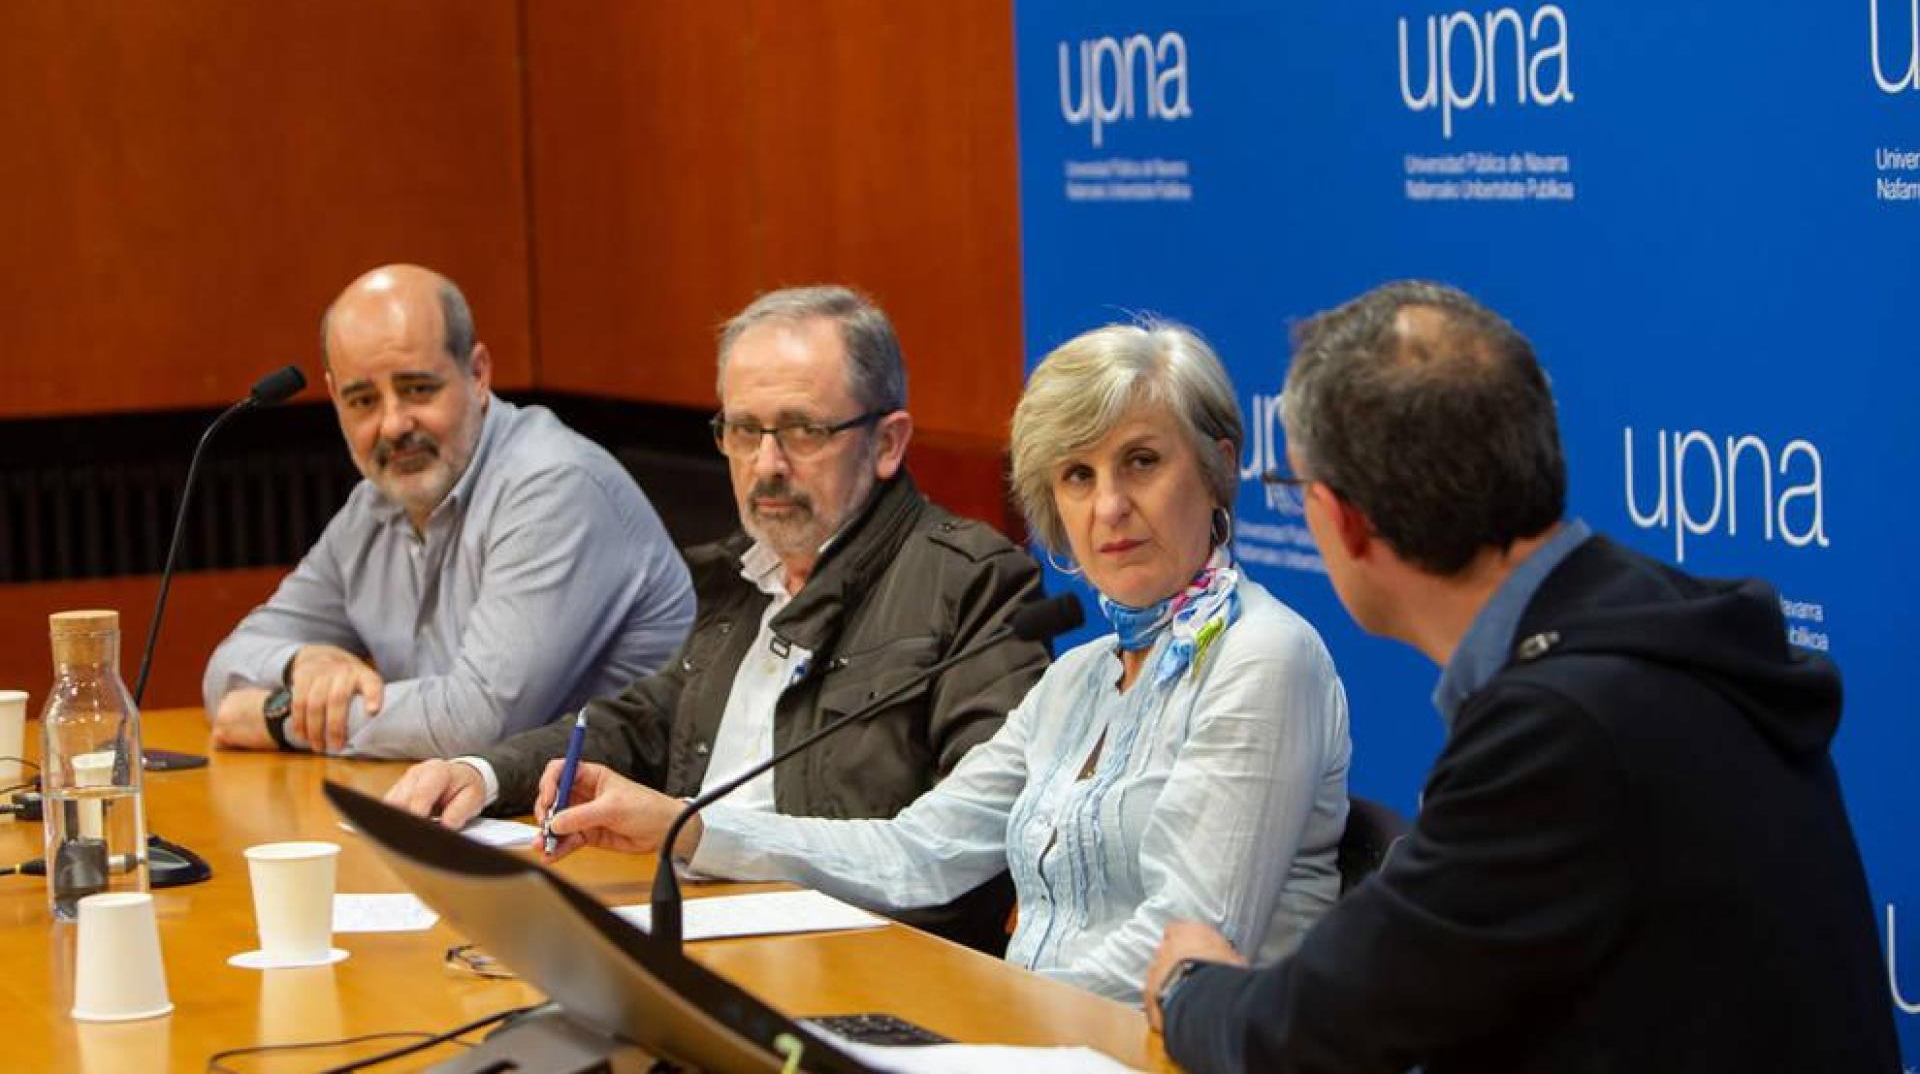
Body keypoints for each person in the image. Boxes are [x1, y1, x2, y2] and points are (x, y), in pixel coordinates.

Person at [1147, 281, 1900, 1073]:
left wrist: (1191, 987)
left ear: (1346, 521)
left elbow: (1314, 1034)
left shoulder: (1562, 731)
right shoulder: (1648, 629)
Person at [515, 320, 1353, 1004]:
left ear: (1215, 467)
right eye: (1076, 475)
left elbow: (1189, 946)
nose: (1109, 507)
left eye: (1142, 461)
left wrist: (967, 1012)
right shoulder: (1080, 678)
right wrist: (684, 824)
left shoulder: (1262, 657)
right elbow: (916, 852)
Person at [386, 285, 1049, 953]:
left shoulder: (971, 583)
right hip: (699, 931)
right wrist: (481, 774)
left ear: (886, 442)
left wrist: (688, 827)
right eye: (743, 430)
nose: (766, 465)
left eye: (802, 431)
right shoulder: (740, 575)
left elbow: (965, 852)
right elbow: (641, 724)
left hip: (856, 960)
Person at [203, 264, 694, 759]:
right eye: (363, 401)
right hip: (486, 812)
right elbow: (226, 670)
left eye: (417, 389)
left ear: (477, 374)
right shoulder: (373, 506)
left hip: (616, 822)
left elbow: (476, 722)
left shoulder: (554, 485)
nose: (393, 425)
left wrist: (281, 718)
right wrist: (301, 665)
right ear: (334, 401)